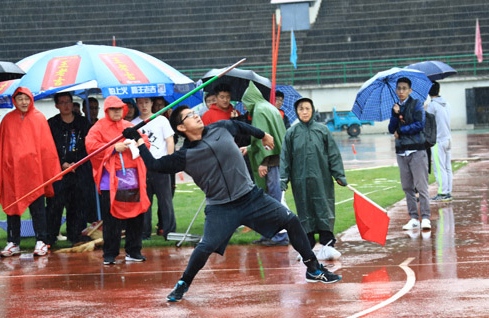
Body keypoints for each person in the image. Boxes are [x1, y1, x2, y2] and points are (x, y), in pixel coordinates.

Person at [123, 105, 342, 302]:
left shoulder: (221, 128)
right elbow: (155, 165)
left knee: (291, 220)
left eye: (194, 112)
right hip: (221, 208)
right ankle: (183, 283)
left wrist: (263, 135)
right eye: (189, 116)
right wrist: (138, 140)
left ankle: (313, 269)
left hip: (251, 198)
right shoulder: (185, 155)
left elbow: (240, 126)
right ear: (181, 127)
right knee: (205, 247)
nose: (196, 116)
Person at [0, 87, 62, 257]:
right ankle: (13, 242)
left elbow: (46, 148)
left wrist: (47, 170)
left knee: (38, 208)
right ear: (14, 101)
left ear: (31, 100)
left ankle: (41, 240)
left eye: (26, 99)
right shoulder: (7, 120)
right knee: (12, 207)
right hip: (12, 173)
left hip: (35, 173)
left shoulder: (39, 118)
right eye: (20, 99)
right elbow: (2, 147)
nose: (23, 102)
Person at [85, 96, 151, 265]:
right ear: (107, 110)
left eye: (119, 108)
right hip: (110, 182)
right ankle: (110, 253)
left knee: (136, 216)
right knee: (111, 219)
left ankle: (134, 251)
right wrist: (113, 148)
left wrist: (136, 143)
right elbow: (91, 147)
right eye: (113, 109)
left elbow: (145, 141)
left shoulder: (129, 126)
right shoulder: (97, 128)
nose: (117, 112)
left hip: (132, 179)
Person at [280, 97, 347, 261]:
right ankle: (306, 248)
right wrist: (283, 178)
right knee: (304, 210)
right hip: (300, 179)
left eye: (307, 108)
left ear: (312, 110)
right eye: (301, 109)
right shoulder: (291, 133)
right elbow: (285, 158)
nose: (304, 112)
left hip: (321, 178)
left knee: (324, 208)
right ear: (297, 112)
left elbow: (333, 154)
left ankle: (328, 245)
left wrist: (339, 174)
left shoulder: (322, 131)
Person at [241, 82, 288, 246]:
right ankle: (270, 234)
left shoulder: (259, 111)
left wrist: (264, 162)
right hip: (277, 160)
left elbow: (264, 139)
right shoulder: (268, 108)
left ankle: (279, 236)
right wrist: (249, 148)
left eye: (245, 102)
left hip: (271, 162)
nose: (245, 107)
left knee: (273, 200)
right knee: (272, 198)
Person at [46, 92, 94, 245]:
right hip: (58, 171)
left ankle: (76, 236)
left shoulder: (83, 123)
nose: (66, 105)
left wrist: (77, 163)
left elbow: (89, 145)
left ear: (73, 103)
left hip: (79, 171)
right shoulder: (51, 124)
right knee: (55, 205)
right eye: (62, 102)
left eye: (68, 102)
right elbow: (48, 147)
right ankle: (50, 237)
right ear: (56, 105)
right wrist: (62, 163)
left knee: (78, 205)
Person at [388, 77, 431, 231]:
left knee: (421, 186)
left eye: (404, 88)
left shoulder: (417, 104)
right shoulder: (395, 107)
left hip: (417, 150)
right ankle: (413, 218)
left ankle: (425, 217)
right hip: (401, 151)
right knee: (407, 187)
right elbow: (391, 129)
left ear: (410, 90)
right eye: (399, 88)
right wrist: (395, 115)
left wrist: (401, 130)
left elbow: (419, 124)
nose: (401, 91)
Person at [131, 97, 176, 239]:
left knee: (166, 201)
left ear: (151, 103)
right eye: (140, 103)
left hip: (161, 165)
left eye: (146, 102)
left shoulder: (162, 120)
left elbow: (170, 140)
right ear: (137, 104)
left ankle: (170, 232)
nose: (144, 105)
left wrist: (169, 160)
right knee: (144, 202)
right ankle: (144, 232)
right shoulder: (133, 124)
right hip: (142, 167)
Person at [427, 82, 453, 202]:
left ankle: (442, 193)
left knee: (439, 167)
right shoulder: (446, 103)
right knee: (447, 167)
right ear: (439, 90)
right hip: (448, 138)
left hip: (438, 140)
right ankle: (448, 191)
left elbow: (429, 123)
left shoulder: (432, 105)